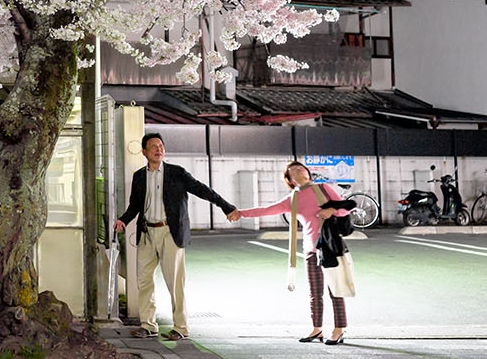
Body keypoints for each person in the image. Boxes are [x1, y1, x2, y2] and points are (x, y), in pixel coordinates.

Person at [114, 132, 237, 339]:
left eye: (161, 145)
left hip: (170, 232)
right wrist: (123, 220)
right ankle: (148, 325)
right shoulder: (139, 176)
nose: (158, 149)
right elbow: (135, 205)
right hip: (146, 233)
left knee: (175, 282)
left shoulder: (177, 173)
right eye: (153, 146)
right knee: (144, 281)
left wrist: (226, 207)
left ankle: (180, 327)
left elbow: (202, 190)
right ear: (144, 152)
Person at [226, 160, 353, 345]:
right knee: (315, 292)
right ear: (290, 180)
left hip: (331, 247)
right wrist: (241, 213)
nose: (300, 169)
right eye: (294, 170)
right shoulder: (292, 199)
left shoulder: (323, 188)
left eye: (301, 167)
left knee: (335, 289)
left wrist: (331, 209)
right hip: (311, 249)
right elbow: (267, 210)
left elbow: (344, 209)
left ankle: (338, 330)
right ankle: (317, 329)